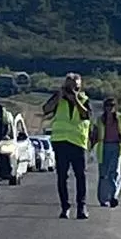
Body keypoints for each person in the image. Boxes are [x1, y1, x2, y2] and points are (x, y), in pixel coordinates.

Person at [42, 73, 90, 219]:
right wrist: (59, 96)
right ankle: (65, 207)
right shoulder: (59, 98)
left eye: (76, 86)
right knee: (62, 176)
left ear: (80, 86)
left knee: (80, 176)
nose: (73, 89)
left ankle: (81, 207)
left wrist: (75, 100)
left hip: (77, 142)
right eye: (70, 85)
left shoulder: (84, 99)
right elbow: (46, 109)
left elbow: (86, 115)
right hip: (61, 141)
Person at [90, 96, 121, 208]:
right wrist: (90, 144)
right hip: (104, 147)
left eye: (112, 106)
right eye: (107, 106)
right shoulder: (100, 119)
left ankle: (113, 196)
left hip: (117, 146)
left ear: (115, 107)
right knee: (103, 174)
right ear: (104, 107)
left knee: (115, 172)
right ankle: (103, 199)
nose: (109, 108)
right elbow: (94, 134)